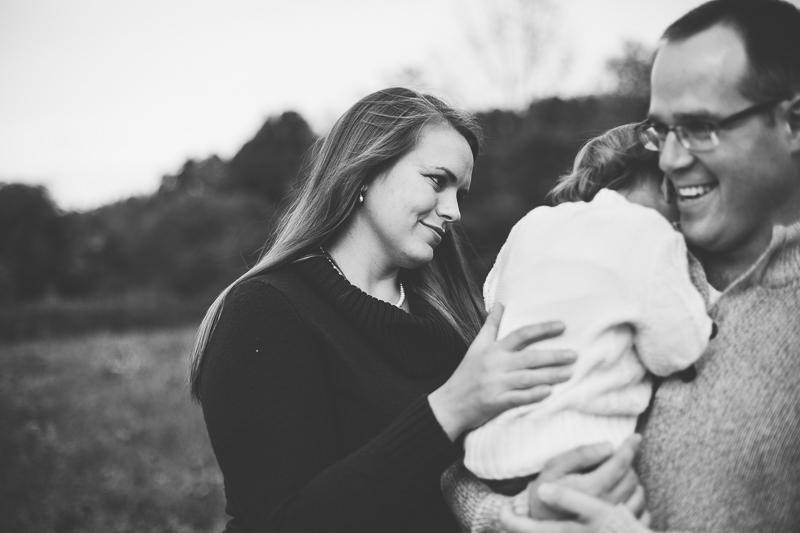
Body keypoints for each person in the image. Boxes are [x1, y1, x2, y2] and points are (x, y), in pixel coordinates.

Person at [186, 87, 614, 533]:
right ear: (366, 172)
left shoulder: (457, 318)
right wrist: (449, 410)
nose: (453, 212)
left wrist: (531, 502)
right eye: (436, 180)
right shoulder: (266, 311)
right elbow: (283, 522)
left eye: (461, 194)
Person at [494, 0, 800, 531]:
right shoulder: (603, 258)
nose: (671, 159)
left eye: (701, 127)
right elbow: (459, 474)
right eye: (662, 130)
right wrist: (516, 515)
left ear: (793, 123)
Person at [461, 124, 713, 496]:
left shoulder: (533, 223)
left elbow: (493, 299)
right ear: (663, 180)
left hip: (491, 455)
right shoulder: (651, 232)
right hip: (579, 455)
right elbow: (676, 352)